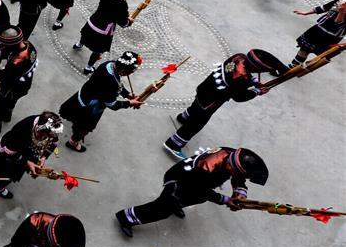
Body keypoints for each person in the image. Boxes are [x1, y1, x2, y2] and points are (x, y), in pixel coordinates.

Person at [115, 147, 268, 237]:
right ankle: (126, 217)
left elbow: (238, 178)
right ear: (233, 167)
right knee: (161, 209)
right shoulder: (206, 169)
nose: (240, 178)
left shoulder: (231, 154)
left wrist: (240, 192)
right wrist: (226, 200)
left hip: (194, 184)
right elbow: (202, 190)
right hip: (180, 180)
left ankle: (178, 204)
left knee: (193, 199)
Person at [164, 49, 287, 159]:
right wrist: (256, 91)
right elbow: (239, 97)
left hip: (204, 88)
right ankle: (174, 144)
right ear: (256, 68)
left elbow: (241, 75)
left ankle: (183, 117)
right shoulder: (242, 79)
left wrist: (254, 81)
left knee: (196, 105)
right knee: (197, 122)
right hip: (211, 101)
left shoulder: (239, 57)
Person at [59, 51, 144, 152]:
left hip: (85, 94)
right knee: (84, 127)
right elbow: (112, 104)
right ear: (123, 70)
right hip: (91, 107)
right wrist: (129, 103)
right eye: (129, 72)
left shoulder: (110, 64)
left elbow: (118, 83)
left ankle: (75, 121)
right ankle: (73, 142)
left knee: (76, 115)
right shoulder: (111, 81)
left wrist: (127, 94)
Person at [0, 111, 63, 199]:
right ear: (41, 130)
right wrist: (27, 162)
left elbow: (54, 143)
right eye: (49, 135)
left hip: (30, 150)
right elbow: (11, 151)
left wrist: (44, 157)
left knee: (20, 169)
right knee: (9, 172)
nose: (53, 136)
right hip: (12, 151)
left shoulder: (52, 128)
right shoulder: (23, 127)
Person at [73, 0, 136, 73]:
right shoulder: (122, 4)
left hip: (93, 21)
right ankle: (88, 67)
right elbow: (123, 23)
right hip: (103, 30)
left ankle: (79, 44)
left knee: (85, 35)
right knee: (97, 50)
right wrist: (129, 21)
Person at [0, 26, 39, 134]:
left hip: (11, 87)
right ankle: (7, 115)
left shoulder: (16, 62)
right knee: (12, 101)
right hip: (24, 85)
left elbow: (1, 76)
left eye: (4, 44)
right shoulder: (28, 45)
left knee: (0, 104)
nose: (3, 46)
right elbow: (8, 51)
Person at [291, 0, 346, 66]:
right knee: (304, 49)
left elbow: (337, 24)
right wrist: (306, 13)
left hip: (330, 36)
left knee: (321, 56)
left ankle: (300, 69)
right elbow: (325, 7)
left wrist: (341, 12)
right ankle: (292, 67)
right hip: (319, 28)